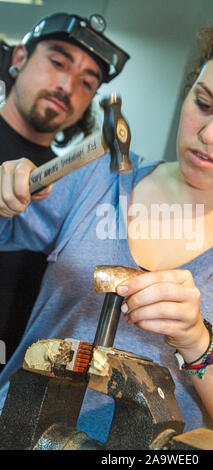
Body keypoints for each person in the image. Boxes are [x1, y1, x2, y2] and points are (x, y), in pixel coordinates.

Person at [0, 6, 213, 450]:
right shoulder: (99, 178)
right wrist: (5, 190)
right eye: (203, 103)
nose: (211, 134)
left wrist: (199, 342)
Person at [0, 12, 129, 368]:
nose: (68, 87)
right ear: (20, 59)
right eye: (58, 62)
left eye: (87, 83)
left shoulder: (75, 186)